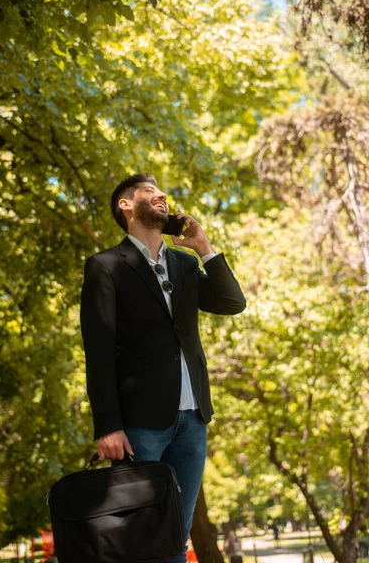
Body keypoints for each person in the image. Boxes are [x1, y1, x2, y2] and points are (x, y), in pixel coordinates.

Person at [80, 173, 247, 563]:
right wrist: (108, 424)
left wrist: (203, 246)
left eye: (163, 193)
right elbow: (98, 350)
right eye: (150, 192)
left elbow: (232, 301)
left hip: (193, 420)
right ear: (126, 205)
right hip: (139, 424)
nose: (162, 196)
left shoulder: (186, 266)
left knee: (177, 533)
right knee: (139, 533)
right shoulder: (105, 266)